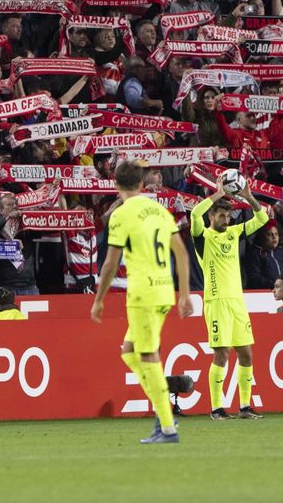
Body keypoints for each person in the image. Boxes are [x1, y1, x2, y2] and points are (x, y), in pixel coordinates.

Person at [90, 160, 192, 444]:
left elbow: (110, 263)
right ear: (141, 183)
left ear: (115, 183)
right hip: (164, 291)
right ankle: (162, 405)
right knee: (128, 351)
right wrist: (183, 294)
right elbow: (181, 254)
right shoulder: (160, 210)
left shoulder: (122, 215)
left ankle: (167, 426)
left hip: (142, 293)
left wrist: (98, 299)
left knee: (148, 357)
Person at [189, 182, 269, 420]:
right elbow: (195, 213)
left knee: (246, 353)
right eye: (222, 215)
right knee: (221, 354)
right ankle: (216, 408)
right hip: (216, 302)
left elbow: (262, 219)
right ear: (212, 216)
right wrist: (218, 194)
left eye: (228, 216)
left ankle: (244, 406)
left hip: (237, 302)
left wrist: (249, 197)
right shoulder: (203, 237)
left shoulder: (234, 233)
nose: (226, 219)